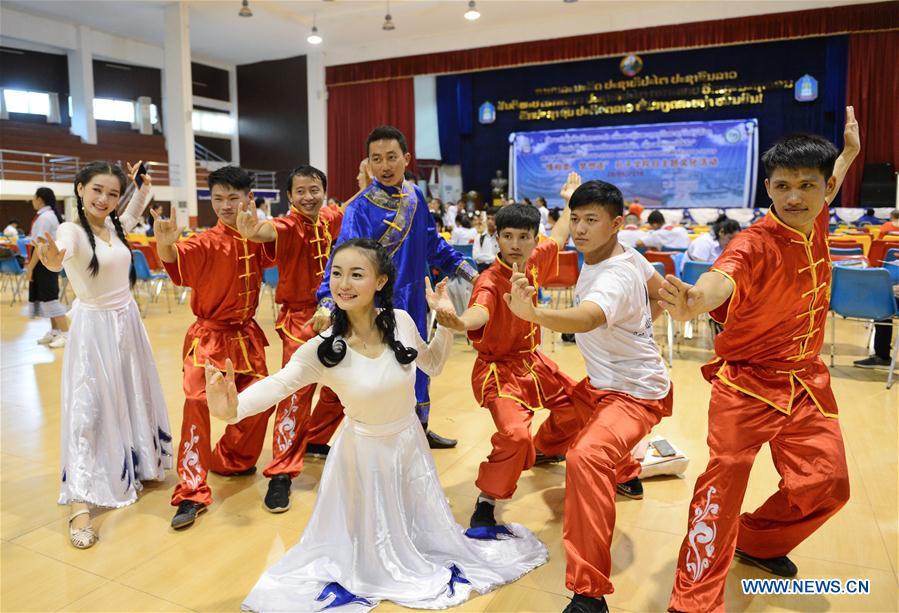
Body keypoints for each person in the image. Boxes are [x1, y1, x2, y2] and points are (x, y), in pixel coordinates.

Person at [205, 238, 548, 611]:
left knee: (416, 532)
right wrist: (231, 408)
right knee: (369, 543)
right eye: (337, 274)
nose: (343, 284)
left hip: (408, 447)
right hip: (362, 456)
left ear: (381, 281)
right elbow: (279, 384)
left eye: (356, 274)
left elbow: (431, 364)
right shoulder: (323, 348)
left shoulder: (400, 322)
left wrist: (445, 324)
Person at [662, 110, 859, 612]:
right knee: (722, 485)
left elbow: (831, 177)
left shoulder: (815, 214)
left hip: (805, 382)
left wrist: (851, 152)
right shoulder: (753, 242)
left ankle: (758, 541)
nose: (794, 197)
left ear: (824, 187)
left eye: (806, 186)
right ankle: (693, 600)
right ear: (767, 187)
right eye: (781, 186)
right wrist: (697, 300)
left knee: (828, 485)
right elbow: (721, 277)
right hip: (746, 385)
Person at [505, 179, 673, 613]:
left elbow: (588, 316)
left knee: (587, 457)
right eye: (575, 219)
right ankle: (627, 473)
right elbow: (658, 291)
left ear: (617, 223)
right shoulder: (629, 255)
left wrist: (536, 314)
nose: (579, 229)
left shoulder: (615, 274)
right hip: (600, 384)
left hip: (633, 394)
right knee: (564, 411)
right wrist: (640, 325)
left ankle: (589, 594)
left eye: (590, 220)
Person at [438, 174, 593, 530]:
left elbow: (559, 235)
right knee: (514, 436)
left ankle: (544, 448)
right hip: (500, 371)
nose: (515, 243)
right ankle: (487, 497)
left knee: (580, 404)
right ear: (497, 237)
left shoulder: (537, 258)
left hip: (534, 363)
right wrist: (460, 322)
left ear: (532, 239)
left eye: (523, 237)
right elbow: (481, 311)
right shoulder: (490, 280)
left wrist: (569, 199)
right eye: (507, 236)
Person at [312, 125, 478, 449]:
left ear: (406, 158)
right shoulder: (359, 208)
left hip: (415, 299)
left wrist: (473, 273)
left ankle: (420, 430)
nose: (385, 166)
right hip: (376, 304)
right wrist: (327, 302)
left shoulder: (415, 197)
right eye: (377, 159)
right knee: (383, 373)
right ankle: (390, 438)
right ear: (368, 163)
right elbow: (344, 255)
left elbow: (433, 244)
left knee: (419, 366)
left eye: (391, 157)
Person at [35, 161, 172, 549]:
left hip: (127, 323)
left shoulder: (114, 225)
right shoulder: (71, 230)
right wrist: (53, 261)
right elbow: (62, 252)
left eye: (112, 193)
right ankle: (79, 503)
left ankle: (137, 463)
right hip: (94, 329)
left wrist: (141, 186)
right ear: (80, 188)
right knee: (87, 410)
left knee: (132, 396)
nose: (104, 199)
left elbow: (134, 208)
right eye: (97, 190)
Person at [154, 166, 276, 530]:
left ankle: (231, 459)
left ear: (248, 198)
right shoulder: (205, 241)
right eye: (218, 198)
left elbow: (283, 241)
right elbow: (177, 256)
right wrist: (164, 243)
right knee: (196, 404)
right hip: (208, 338)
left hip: (246, 335)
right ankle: (191, 488)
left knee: (259, 400)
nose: (224, 205)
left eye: (233, 198)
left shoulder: (257, 237)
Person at [234, 165, 346, 512]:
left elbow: (351, 206)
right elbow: (268, 232)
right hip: (300, 321)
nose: (308, 197)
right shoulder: (287, 225)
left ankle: (314, 439)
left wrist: (366, 181)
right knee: (295, 396)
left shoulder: (330, 218)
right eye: (300, 191)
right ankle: (281, 472)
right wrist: (254, 230)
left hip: (341, 315)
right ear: (290, 196)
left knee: (344, 389)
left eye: (314, 189)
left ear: (323, 190)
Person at [26, 188, 69, 348]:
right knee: (46, 297)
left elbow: (40, 245)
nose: (32, 201)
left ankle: (65, 334)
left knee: (50, 297)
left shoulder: (45, 217)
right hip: (44, 262)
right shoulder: (47, 216)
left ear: (40, 199)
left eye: (34, 198)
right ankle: (55, 331)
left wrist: (30, 268)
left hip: (45, 262)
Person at [473, 207, 499, 272]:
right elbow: (476, 257)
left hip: (498, 271)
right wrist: (494, 258)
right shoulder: (479, 237)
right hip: (483, 270)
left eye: (493, 219)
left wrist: (484, 256)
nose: (490, 221)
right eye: (488, 218)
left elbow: (503, 258)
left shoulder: (501, 237)